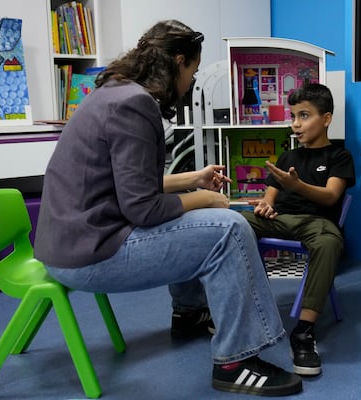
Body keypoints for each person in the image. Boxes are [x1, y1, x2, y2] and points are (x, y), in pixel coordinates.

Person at [34, 19, 302, 397]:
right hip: (89, 255)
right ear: (178, 62)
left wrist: (192, 180)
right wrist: (207, 199)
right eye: (192, 71)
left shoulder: (112, 92)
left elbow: (128, 185)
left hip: (69, 244)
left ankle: (189, 312)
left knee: (196, 216)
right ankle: (235, 361)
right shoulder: (135, 104)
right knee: (228, 228)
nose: (191, 82)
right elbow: (143, 209)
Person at [242, 82, 356, 376]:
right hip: (280, 219)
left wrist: (298, 186)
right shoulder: (288, 157)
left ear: (326, 118)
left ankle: (304, 332)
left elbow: (332, 196)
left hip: (317, 223)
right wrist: (264, 206)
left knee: (331, 243)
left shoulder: (339, 157)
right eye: (293, 116)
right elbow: (269, 195)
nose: (295, 124)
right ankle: (235, 310)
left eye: (304, 116)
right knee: (232, 223)